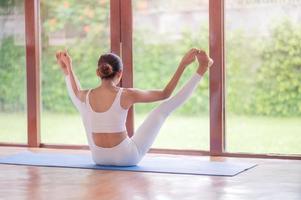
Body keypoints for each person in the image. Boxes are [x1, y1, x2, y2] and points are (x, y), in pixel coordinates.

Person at [56, 48, 213, 166]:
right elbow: (166, 93)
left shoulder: (86, 94)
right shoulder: (126, 94)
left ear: (98, 72)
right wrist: (183, 65)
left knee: (82, 106)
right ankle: (202, 68)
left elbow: (75, 90)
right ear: (120, 73)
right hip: (125, 157)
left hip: (98, 157)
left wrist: (68, 68)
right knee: (162, 110)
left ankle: (202, 68)